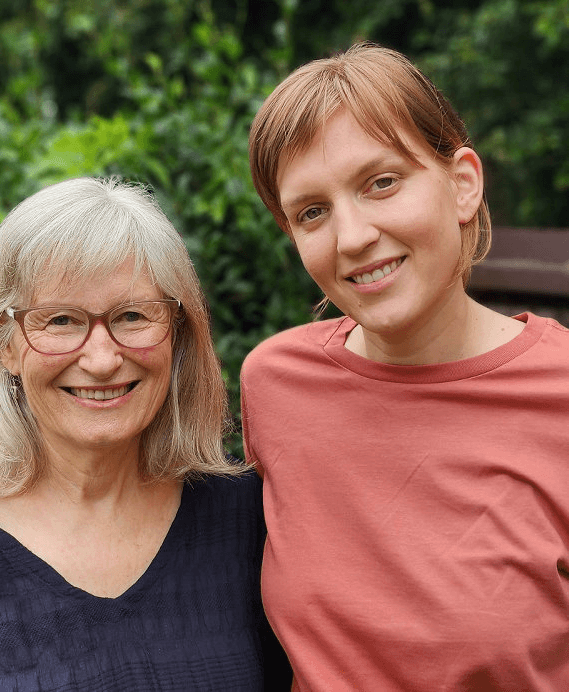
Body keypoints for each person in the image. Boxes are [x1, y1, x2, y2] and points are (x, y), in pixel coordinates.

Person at [0, 176, 291, 691]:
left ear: (177, 334)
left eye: (133, 316)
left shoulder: (245, 520)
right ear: (4, 344)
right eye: (61, 320)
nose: (103, 358)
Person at [241, 42, 569, 691]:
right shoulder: (275, 383)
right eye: (312, 212)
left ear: (462, 184)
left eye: (381, 183)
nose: (353, 236)